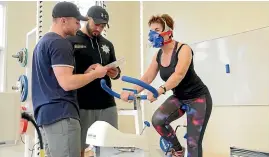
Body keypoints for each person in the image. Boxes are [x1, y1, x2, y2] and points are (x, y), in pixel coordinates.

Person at [120, 14, 212, 157]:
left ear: (168, 31)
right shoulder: (158, 55)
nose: (152, 34)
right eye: (151, 30)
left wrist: (159, 90)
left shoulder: (183, 49)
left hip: (198, 98)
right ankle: (178, 149)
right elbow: (148, 77)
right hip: (179, 97)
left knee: (193, 143)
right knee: (158, 120)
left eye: (157, 29)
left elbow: (178, 75)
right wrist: (133, 92)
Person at [31, 2, 108, 157]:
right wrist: (96, 74)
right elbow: (67, 84)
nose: (79, 25)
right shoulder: (60, 43)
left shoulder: (42, 43)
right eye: (77, 21)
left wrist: (85, 73)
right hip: (62, 115)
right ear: (63, 20)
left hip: (45, 115)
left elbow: (55, 80)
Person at [67, 6, 121, 157]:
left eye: (102, 26)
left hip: (107, 103)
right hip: (82, 103)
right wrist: (85, 73)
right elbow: (65, 75)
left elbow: (116, 73)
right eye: (96, 24)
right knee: (79, 147)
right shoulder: (71, 40)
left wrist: (115, 73)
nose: (99, 28)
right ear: (87, 19)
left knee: (111, 145)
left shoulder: (107, 45)